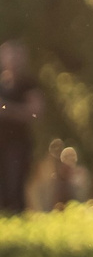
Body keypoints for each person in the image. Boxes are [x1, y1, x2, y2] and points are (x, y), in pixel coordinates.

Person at [0, 42, 45, 216]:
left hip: (18, 144)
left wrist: (7, 109)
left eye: (16, 56)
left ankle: (16, 218)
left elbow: (36, 113)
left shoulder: (29, 84)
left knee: (15, 184)